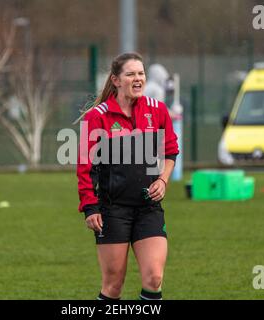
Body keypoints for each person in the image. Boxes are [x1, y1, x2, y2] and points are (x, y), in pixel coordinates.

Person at [76, 52, 179, 300]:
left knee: (154, 278)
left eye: (141, 73)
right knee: (113, 285)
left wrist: (163, 180)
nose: (137, 78)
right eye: (130, 74)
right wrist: (91, 208)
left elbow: (171, 151)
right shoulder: (97, 117)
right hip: (112, 211)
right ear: (116, 80)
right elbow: (84, 167)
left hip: (148, 208)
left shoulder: (157, 111)